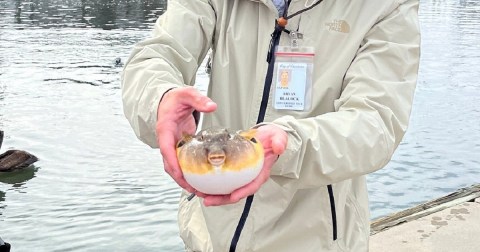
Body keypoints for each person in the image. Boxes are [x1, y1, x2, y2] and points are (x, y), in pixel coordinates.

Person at [121, 0, 420, 251]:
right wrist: (160, 99)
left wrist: (289, 145)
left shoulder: (386, 5)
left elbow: (376, 121)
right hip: (209, 234)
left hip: (317, 240)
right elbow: (159, 54)